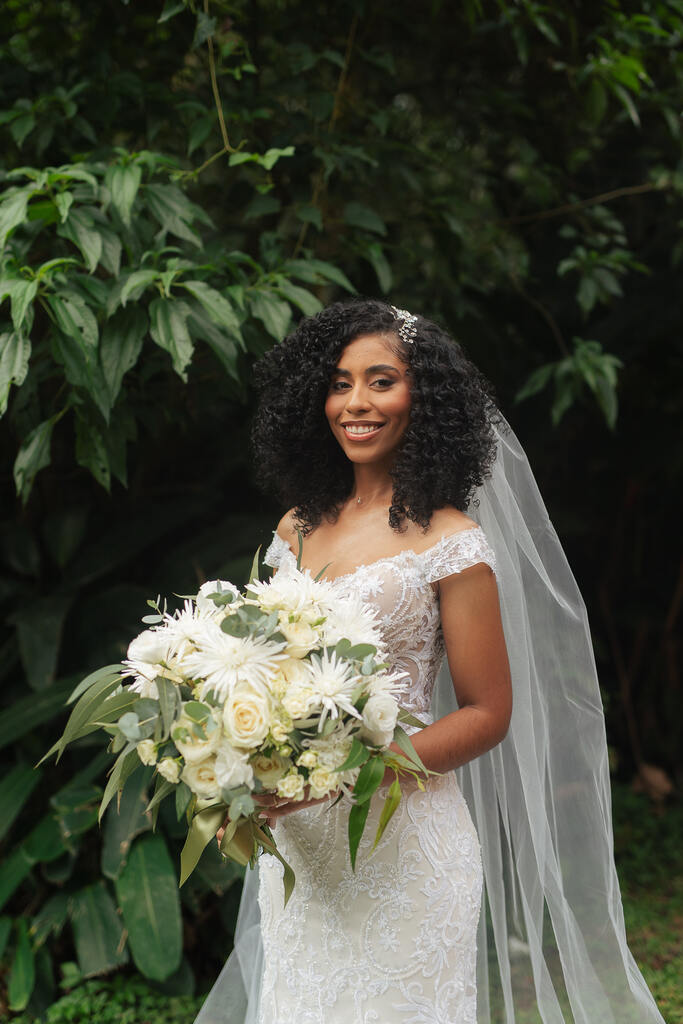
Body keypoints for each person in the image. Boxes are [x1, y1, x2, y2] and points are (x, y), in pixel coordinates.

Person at [195, 299, 665, 1024]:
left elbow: (488, 713)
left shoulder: (451, 542)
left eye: (381, 381)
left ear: (425, 400)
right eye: (339, 383)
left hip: (405, 843)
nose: (356, 403)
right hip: (301, 847)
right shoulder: (295, 528)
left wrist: (342, 775)